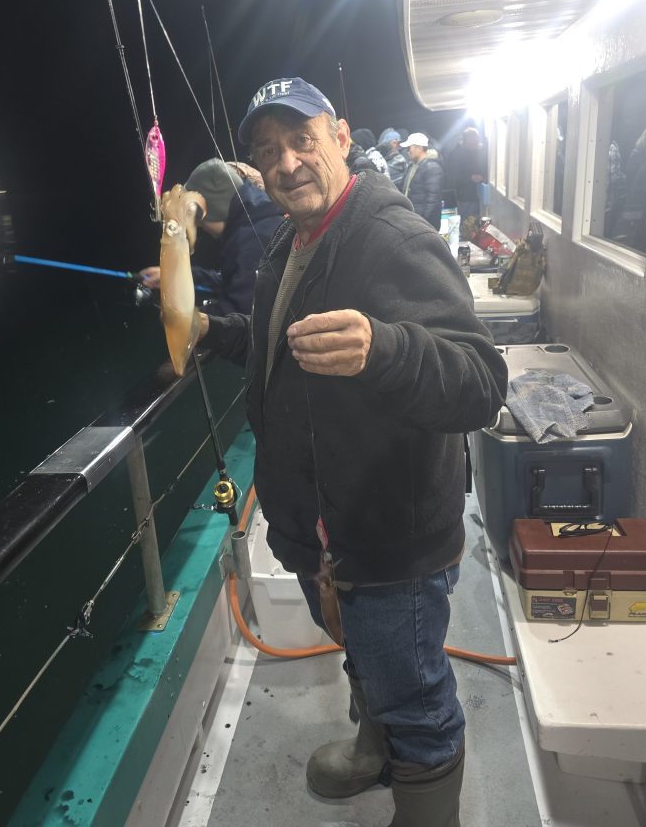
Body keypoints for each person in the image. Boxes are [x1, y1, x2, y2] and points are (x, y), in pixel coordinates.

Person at [172, 76, 507, 827]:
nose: (287, 163)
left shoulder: (389, 235)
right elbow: (282, 347)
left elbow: (483, 381)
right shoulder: (295, 241)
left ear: (342, 138)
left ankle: (426, 805)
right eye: (268, 150)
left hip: (389, 541)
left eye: (302, 141)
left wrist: (384, 349)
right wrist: (217, 334)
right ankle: (373, 746)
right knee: (369, 662)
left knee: (416, 698)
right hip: (329, 532)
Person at [140, 158, 282, 316]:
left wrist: (185, 318)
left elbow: (239, 314)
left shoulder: (253, 243)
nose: (201, 227)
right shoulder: (254, 220)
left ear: (214, 212)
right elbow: (233, 280)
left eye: (199, 220)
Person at [401, 132, 446, 229]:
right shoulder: (412, 166)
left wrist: (422, 221)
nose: (407, 151)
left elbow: (432, 199)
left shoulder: (432, 167)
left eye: (409, 148)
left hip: (424, 224)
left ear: (419, 148)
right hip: (412, 220)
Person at [446, 127, 487, 220]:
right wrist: (470, 178)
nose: (474, 144)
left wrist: (483, 177)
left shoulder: (483, 151)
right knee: (467, 223)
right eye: (471, 142)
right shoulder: (456, 154)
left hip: (483, 196)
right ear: (464, 141)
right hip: (466, 197)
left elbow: (487, 168)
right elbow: (452, 176)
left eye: (476, 141)